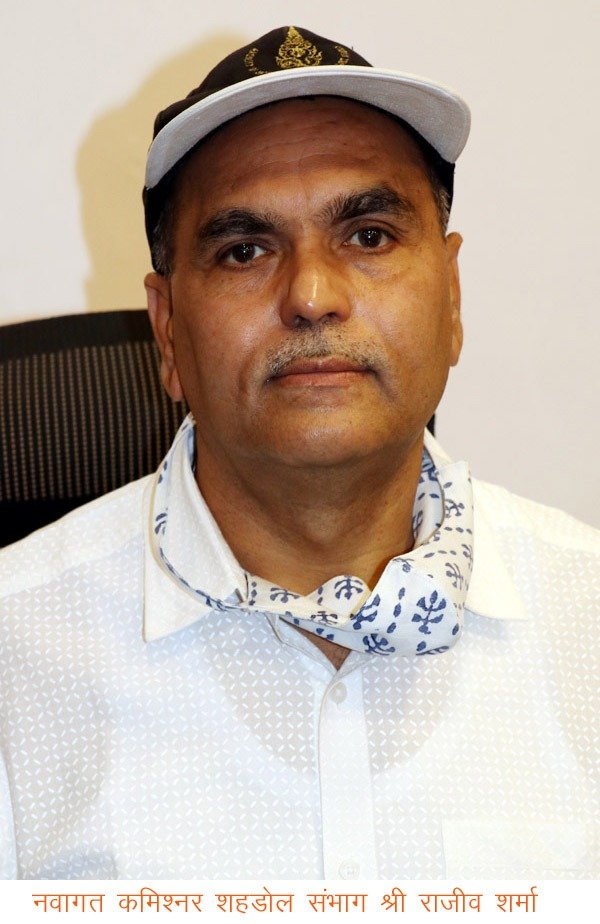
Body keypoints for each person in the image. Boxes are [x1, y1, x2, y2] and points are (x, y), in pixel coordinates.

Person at [0, 25, 598, 880]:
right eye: (245, 250)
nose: (312, 296)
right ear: (167, 333)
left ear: (453, 299)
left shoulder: (586, 622)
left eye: (370, 236)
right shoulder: (14, 659)